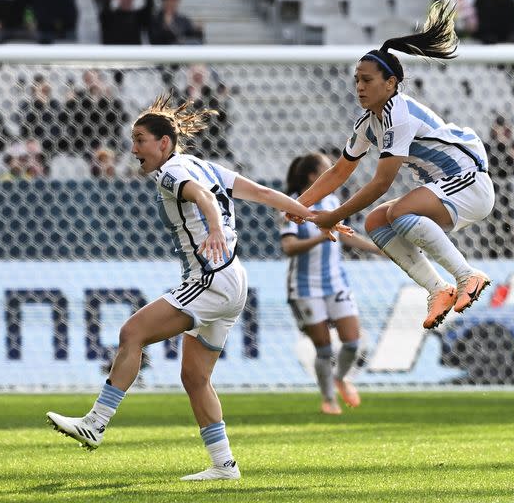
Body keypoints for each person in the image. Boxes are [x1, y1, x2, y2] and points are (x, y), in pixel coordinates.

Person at [45, 95, 349, 481]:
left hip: (211, 279)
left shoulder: (172, 172)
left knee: (131, 333)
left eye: (140, 140)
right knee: (194, 376)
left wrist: (217, 228)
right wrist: (315, 215)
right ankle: (224, 466)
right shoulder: (204, 165)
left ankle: (96, 422)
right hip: (233, 277)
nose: (133, 148)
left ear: (164, 143)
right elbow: (263, 193)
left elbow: (201, 197)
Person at [291, 0, 495, 330]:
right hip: (447, 187)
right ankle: (437, 289)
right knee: (376, 222)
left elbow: (381, 183)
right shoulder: (369, 122)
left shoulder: (397, 115)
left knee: (398, 213)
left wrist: (333, 215)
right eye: (356, 80)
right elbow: (340, 171)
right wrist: (299, 205)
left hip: (468, 181)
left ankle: (467, 276)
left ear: (391, 84)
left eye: (367, 80)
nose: (359, 86)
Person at [281, 152, 380, 415]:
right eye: (328, 169)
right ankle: (328, 399)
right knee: (324, 349)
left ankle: (340, 377)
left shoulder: (334, 202)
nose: (334, 173)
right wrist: (320, 238)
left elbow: (345, 237)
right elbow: (288, 247)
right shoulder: (293, 205)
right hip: (305, 287)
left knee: (352, 342)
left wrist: (376, 249)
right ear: (314, 176)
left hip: (336, 283)